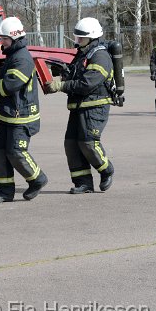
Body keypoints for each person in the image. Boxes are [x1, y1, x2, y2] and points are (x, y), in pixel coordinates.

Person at [46, 17, 114, 194]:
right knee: (71, 144)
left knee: (88, 142)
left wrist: (61, 86)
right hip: (78, 106)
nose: (77, 42)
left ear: (92, 37)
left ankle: (106, 170)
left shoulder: (100, 56)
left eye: (81, 39)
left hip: (95, 106)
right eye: (77, 38)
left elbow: (87, 83)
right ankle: (83, 183)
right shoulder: (82, 54)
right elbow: (73, 74)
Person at [0, 16, 47, 203]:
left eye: (4, 39)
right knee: (0, 151)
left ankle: (37, 178)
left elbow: (10, 85)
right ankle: (4, 192)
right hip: (10, 113)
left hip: (22, 115)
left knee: (16, 152)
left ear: (14, 38)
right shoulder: (12, 55)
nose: (0, 42)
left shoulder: (22, 59)